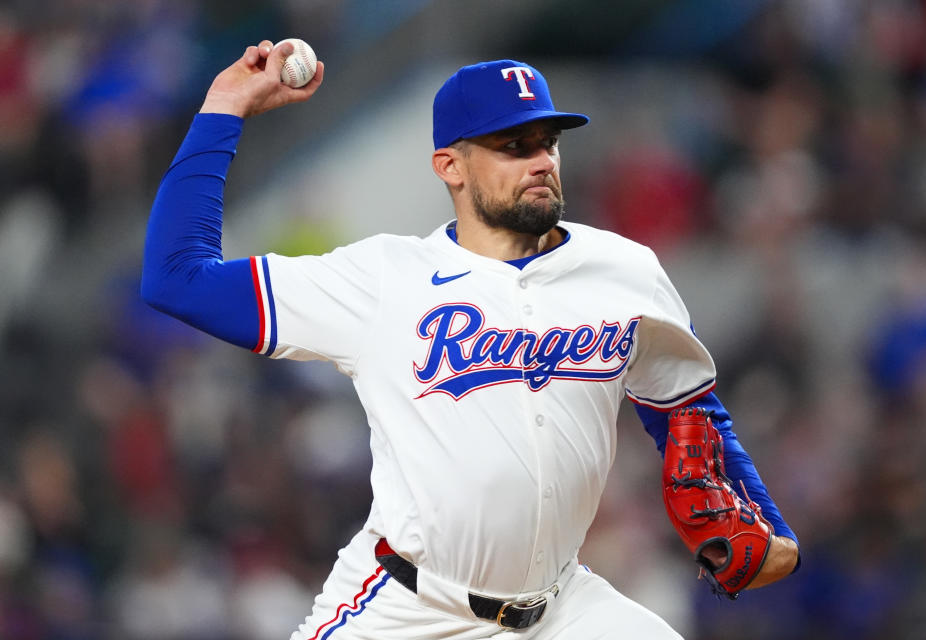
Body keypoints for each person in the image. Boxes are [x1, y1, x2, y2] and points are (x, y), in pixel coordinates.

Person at [141, 40, 799, 640]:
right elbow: (177, 278)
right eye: (514, 146)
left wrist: (768, 523)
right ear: (450, 165)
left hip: (564, 610)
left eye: (548, 142)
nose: (541, 161)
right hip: (411, 609)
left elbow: (690, 416)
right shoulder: (382, 280)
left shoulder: (626, 273)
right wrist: (225, 106)